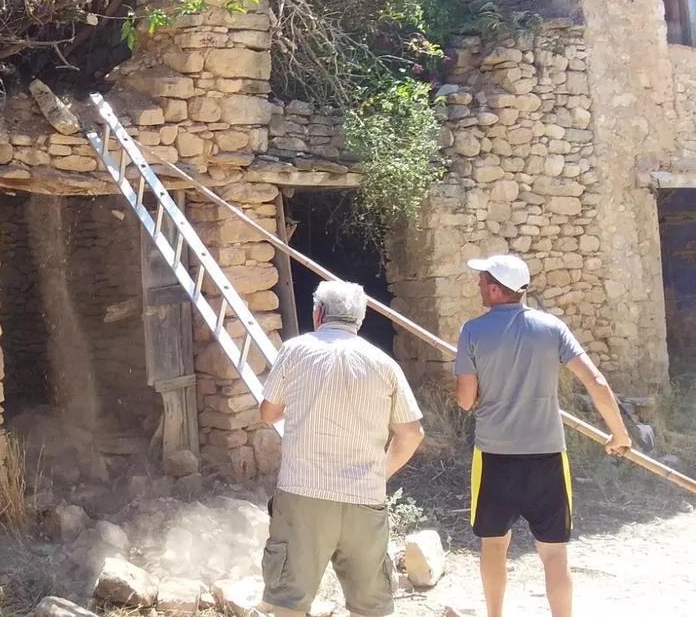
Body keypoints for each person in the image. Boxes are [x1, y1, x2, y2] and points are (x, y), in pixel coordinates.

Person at [455, 255, 634, 617]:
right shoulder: (552, 327)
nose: (477, 286)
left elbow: (465, 400)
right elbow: (596, 380)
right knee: (554, 553)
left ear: (495, 289)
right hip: (548, 455)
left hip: (494, 457)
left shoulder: (472, 331)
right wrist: (619, 434)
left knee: (493, 546)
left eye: (481, 281)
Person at [258, 280, 425, 617]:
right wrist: (379, 474)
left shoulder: (294, 350)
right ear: (359, 319)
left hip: (303, 494)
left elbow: (268, 413)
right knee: (369, 606)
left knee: (289, 601)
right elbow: (411, 433)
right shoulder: (385, 364)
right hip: (364, 499)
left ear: (318, 314)